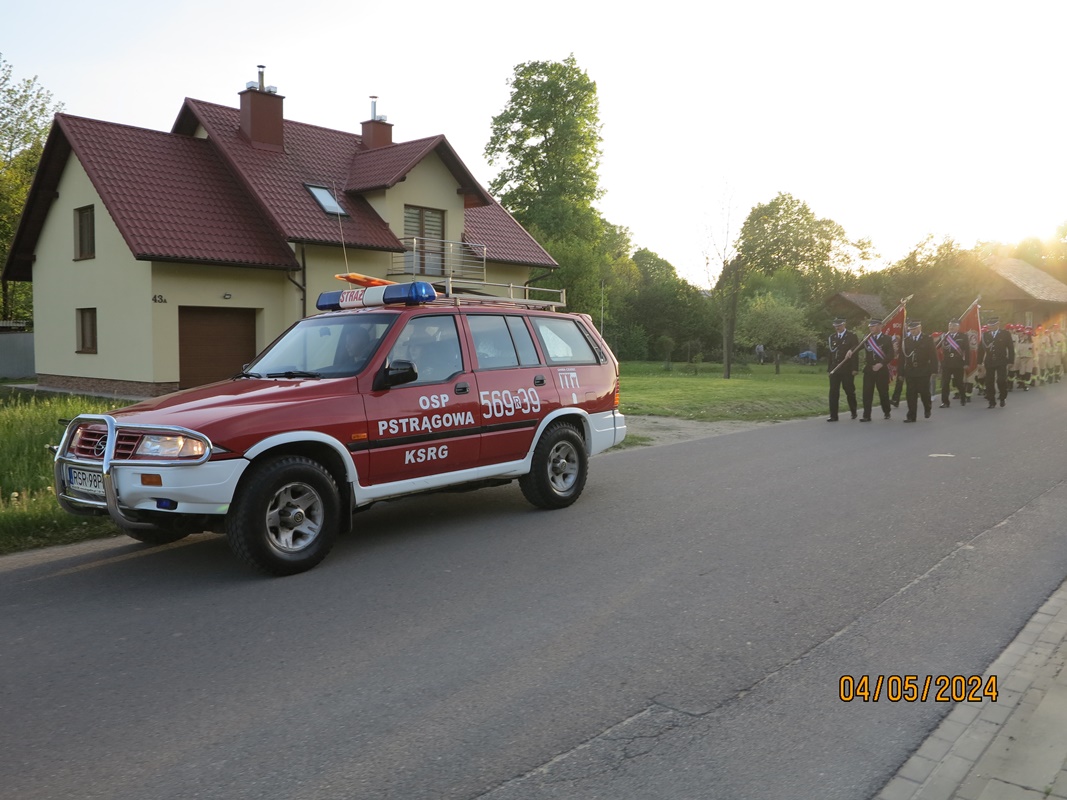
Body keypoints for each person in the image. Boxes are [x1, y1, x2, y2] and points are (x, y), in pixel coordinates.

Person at [899, 319, 937, 422]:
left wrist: (934, 370)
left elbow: (933, 356)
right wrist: (901, 372)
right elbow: (902, 358)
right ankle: (911, 416)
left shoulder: (927, 339)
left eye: (914, 329)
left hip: (923, 370)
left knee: (924, 392)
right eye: (911, 329)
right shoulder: (906, 341)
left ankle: (927, 408)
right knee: (910, 394)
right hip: (910, 371)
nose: (912, 331)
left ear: (920, 328)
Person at [860, 318, 893, 421]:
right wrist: (850, 350)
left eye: (873, 326)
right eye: (870, 326)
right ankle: (866, 415)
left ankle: (886, 411)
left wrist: (882, 364)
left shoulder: (887, 339)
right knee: (867, 392)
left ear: (880, 326)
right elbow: (857, 347)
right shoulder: (867, 338)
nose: (871, 328)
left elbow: (891, 354)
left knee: (883, 392)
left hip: (881, 369)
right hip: (869, 369)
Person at [826, 318, 859, 421]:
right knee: (833, 392)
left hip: (847, 368)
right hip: (835, 368)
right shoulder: (832, 337)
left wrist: (855, 368)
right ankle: (833, 415)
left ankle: (853, 411)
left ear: (844, 325)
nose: (837, 328)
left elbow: (855, 352)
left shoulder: (851, 336)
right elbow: (831, 354)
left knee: (849, 390)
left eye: (839, 326)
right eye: (835, 326)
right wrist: (829, 368)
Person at [977, 316, 1015, 408]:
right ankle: (991, 401)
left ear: (998, 324)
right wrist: (979, 362)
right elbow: (981, 350)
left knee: (1001, 380)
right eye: (989, 325)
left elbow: (1010, 348)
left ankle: (1002, 397)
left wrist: (1011, 361)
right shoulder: (985, 335)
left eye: (993, 325)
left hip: (1001, 360)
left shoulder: (1005, 334)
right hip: (989, 361)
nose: (990, 327)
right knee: (989, 382)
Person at [938, 318, 970, 407]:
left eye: (953, 326)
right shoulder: (944, 336)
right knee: (945, 383)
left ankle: (963, 397)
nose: (951, 327)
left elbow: (967, 351)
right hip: (947, 363)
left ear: (958, 327)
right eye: (950, 325)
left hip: (958, 363)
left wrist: (966, 363)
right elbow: (936, 346)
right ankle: (945, 402)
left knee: (959, 383)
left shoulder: (963, 336)